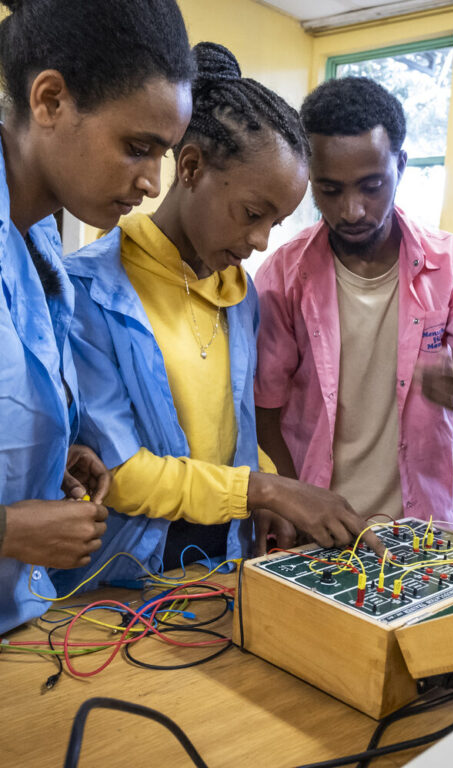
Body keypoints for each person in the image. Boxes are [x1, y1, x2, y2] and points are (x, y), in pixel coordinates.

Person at [53, 44, 383, 596]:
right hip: (116, 581)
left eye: (274, 225)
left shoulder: (239, 296)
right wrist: (267, 491)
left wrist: (263, 486)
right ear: (191, 167)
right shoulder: (89, 290)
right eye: (253, 214)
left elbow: (231, 435)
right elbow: (123, 474)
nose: (258, 242)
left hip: (217, 567)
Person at [0, 0, 194, 634]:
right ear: (50, 101)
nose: (152, 183)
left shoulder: (39, 242)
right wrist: (8, 530)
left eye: (163, 153)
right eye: (139, 148)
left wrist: (47, 455)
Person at [253, 76, 453, 545]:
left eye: (372, 186)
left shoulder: (452, 265)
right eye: (329, 190)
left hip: (424, 530)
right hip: (318, 532)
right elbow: (264, 413)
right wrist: (293, 503)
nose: (352, 210)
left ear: (401, 166)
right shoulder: (282, 277)